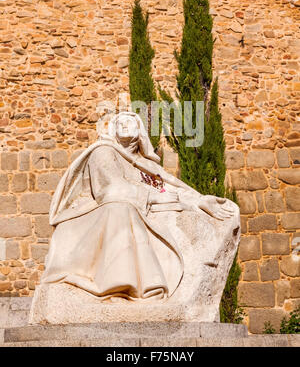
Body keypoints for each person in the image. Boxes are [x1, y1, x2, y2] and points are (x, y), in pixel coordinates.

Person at [42, 112, 235, 302]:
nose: (125, 126)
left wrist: (198, 200)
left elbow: (165, 188)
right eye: (120, 123)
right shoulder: (103, 152)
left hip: (140, 209)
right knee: (121, 207)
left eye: (130, 123)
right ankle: (118, 285)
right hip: (93, 214)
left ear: (140, 132)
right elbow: (111, 190)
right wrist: (153, 198)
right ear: (113, 131)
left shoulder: (146, 166)